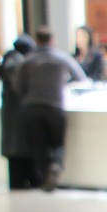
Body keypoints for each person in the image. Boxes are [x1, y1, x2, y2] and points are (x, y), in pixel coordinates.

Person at [14, 27, 86, 191]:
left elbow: (18, 86)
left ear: (37, 41)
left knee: (39, 145)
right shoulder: (62, 58)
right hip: (55, 105)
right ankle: (56, 164)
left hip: (33, 107)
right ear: (52, 40)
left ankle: (45, 174)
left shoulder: (28, 60)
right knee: (58, 142)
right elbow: (81, 78)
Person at [0, 34, 37, 190]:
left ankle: (20, 179)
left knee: (16, 148)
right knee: (18, 147)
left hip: (13, 112)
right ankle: (22, 180)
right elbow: (20, 87)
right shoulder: (16, 63)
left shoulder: (10, 60)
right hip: (17, 112)